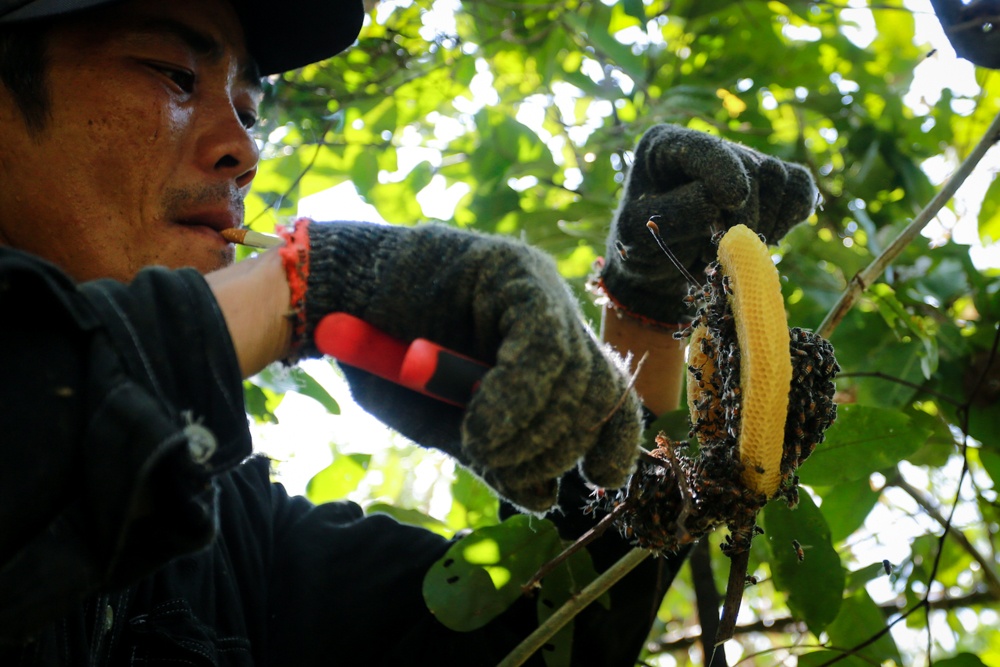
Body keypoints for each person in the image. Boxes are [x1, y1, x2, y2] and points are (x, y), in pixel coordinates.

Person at [0, 0, 818, 664]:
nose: (242, 148)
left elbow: (548, 633)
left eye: (249, 108)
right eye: (174, 74)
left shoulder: (226, 537)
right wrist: (296, 293)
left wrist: (646, 321)